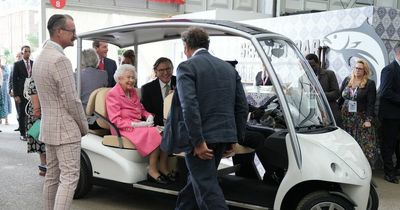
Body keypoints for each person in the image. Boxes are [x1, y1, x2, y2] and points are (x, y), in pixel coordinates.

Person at [162, 27, 248, 210]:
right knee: (196, 184)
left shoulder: (187, 67)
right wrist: (233, 138)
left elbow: (189, 107)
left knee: (207, 188)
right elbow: (242, 107)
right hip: (222, 136)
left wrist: (198, 142)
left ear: (186, 46)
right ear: (207, 45)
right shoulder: (228, 68)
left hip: (201, 141)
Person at [32, 14, 88, 209]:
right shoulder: (60, 60)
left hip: (49, 128)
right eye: (72, 31)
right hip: (65, 130)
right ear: (59, 32)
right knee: (70, 177)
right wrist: (83, 126)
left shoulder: (40, 56)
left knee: (52, 176)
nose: (75, 35)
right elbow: (72, 100)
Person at [106, 64, 173, 184]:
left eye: (133, 77)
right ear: (119, 78)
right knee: (154, 132)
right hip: (122, 128)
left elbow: (141, 109)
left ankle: (163, 167)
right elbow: (115, 120)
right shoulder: (113, 94)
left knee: (165, 131)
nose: (131, 80)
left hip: (137, 125)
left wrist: (149, 116)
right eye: (128, 77)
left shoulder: (132, 92)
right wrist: (136, 125)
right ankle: (152, 170)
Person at [338, 59, 379, 169]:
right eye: (356, 68)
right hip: (345, 118)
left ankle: (362, 168)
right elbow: (340, 98)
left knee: (362, 145)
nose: (357, 70)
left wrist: (368, 120)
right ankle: (347, 167)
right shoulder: (347, 80)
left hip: (360, 118)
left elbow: (371, 104)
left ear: (365, 70)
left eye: (360, 68)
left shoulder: (370, 84)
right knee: (346, 144)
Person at [379, 43, 400, 184]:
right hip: (391, 116)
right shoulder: (389, 70)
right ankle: (389, 173)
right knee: (389, 145)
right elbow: (385, 92)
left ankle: (398, 169)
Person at [306, 53, 341, 126]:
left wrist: (321, 94)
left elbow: (336, 93)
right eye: (308, 66)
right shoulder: (303, 77)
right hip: (312, 113)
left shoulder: (329, 74)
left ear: (319, 63)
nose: (311, 68)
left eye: (313, 66)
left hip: (329, 112)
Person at [141, 57, 176, 126]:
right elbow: (147, 113)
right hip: (158, 126)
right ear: (155, 71)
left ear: (172, 69)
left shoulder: (181, 83)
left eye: (168, 69)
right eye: (161, 70)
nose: (165, 73)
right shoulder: (147, 89)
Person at [25, 79, 46, 176]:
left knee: (41, 141)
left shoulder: (35, 77)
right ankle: (45, 166)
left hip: (39, 112)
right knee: (42, 141)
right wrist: (37, 110)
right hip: (40, 112)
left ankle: (44, 166)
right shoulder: (36, 79)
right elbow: (33, 92)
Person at [13, 45, 32, 141]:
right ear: (22, 53)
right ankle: (22, 133)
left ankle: (30, 132)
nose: (27, 53)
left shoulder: (33, 63)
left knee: (31, 113)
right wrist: (16, 95)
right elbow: (14, 80)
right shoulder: (17, 64)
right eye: (25, 51)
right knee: (22, 114)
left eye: (29, 51)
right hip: (21, 92)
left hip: (32, 92)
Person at [9, 52, 23, 132]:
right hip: (15, 92)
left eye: (19, 56)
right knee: (18, 109)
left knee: (23, 110)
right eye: (16, 56)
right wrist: (10, 89)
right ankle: (20, 126)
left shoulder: (25, 66)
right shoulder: (13, 66)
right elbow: (11, 79)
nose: (17, 57)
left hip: (23, 92)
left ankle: (24, 127)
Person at [0, 59, 12, 125]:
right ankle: (0, 119)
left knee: (5, 101)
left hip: (4, 87)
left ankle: (6, 119)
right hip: (0, 87)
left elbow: (8, 75)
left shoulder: (5, 67)